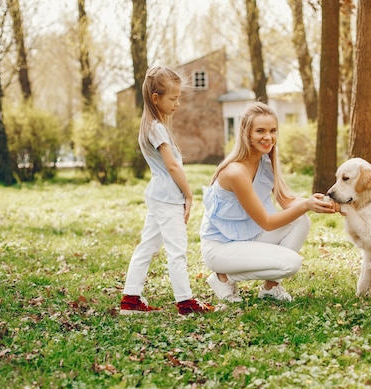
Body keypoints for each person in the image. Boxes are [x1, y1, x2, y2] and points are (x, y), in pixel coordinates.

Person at [199, 101, 336, 303]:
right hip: (220, 248)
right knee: (291, 263)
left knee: (301, 221)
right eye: (260, 131)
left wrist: (322, 203)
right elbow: (267, 222)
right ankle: (224, 278)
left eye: (273, 130)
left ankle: (270, 289)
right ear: (247, 134)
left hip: (248, 236)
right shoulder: (236, 172)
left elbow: (286, 200)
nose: (268, 137)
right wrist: (306, 205)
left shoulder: (267, 157)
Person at [119, 66, 215, 315]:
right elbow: (172, 165)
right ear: (155, 98)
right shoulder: (157, 128)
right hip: (168, 198)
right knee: (177, 250)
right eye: (173, 98)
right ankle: (185, 302)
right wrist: (189, 193)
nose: (177, 104)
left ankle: (130, 299)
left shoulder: (150, 125)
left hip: (158, 196)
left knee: (147, 246)